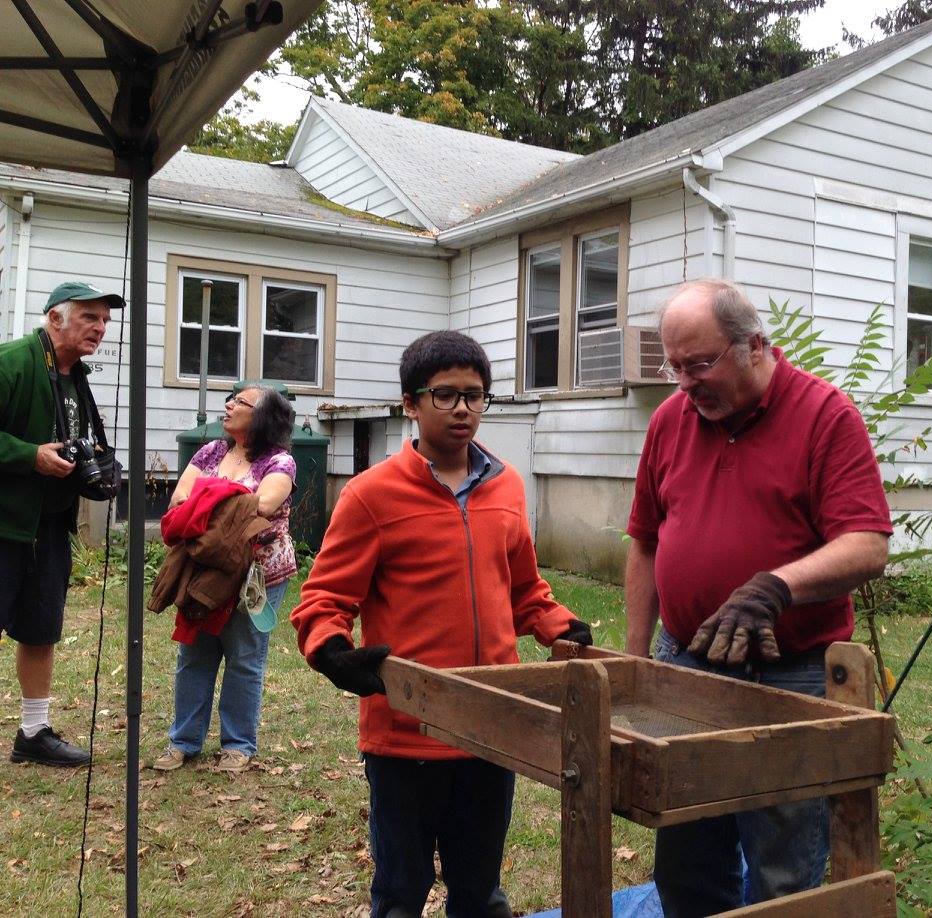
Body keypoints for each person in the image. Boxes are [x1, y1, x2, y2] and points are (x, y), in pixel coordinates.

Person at [292, 330, 592, 918]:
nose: (462, 408)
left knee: (479, 894)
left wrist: (561, 626)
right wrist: (330, 651)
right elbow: (325, 595)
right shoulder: (370, 495)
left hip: (491, 722)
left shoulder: (505, 485)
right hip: (407, 730)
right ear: (411, 403)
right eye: (445, 394)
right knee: (401, 896)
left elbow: (525, 589)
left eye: (475, 396)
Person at [625, 279, 893, 916]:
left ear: (755, 346)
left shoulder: (826, 416)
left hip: (789, 677)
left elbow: (867, 544)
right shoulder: (671, 419)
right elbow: (644, 541)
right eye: (675, 366)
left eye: (700, 364)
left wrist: (777, 587)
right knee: (687, 860)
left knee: (783, 871)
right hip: (685, 666)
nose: (685, 383)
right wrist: (635, 660)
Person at [0, 281, 124, 767]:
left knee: (40, 629)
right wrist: (30, 456)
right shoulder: (12, 362)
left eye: (104, 321)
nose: (101, 328)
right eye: (90, 318)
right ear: (55, 318)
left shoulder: (77, 378)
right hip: (5, 525)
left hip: (49, 527)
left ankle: (33, 732)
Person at [152, 384, 297, 774]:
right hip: (205, 567)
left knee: (244, 657)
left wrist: (207, 499)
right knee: (194, 654)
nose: (229, 405)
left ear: (263, 416)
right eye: (230, 400)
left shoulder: (280, 461)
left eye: (241, 402)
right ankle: (183, 742)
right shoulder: (210, 452)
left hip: (258, 574)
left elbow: (263, 505)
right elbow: (179, 500)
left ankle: (237, 745)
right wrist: (225, 503)